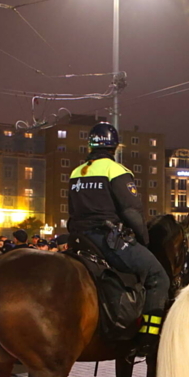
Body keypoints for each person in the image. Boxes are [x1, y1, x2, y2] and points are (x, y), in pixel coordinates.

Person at [68, 122, 169, 356]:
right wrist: (143, 240)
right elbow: (131, 211)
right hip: (107, 239)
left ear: (90, 145)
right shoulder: (116, 171)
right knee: (158, 275)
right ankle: (148, 337)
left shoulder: (76, 172)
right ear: (114, 147)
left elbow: (72, 210)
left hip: (81, 240)